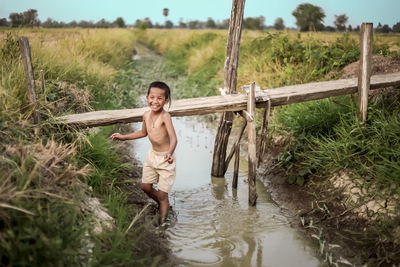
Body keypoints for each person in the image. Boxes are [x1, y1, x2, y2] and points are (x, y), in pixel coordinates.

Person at [110, 81, 177, 225]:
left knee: (163, 194)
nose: (155, 101)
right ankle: (162, 202)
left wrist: (170, 153)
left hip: (166, 157)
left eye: (160, 98)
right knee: (145, 187)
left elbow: (174, 138)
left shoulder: (165, 116)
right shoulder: (146, 115)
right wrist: (123, 137)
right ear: (147, 98)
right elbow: (143, 132)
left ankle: (163, 221)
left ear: (166, 101)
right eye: (152, 97)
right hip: (152, 156)